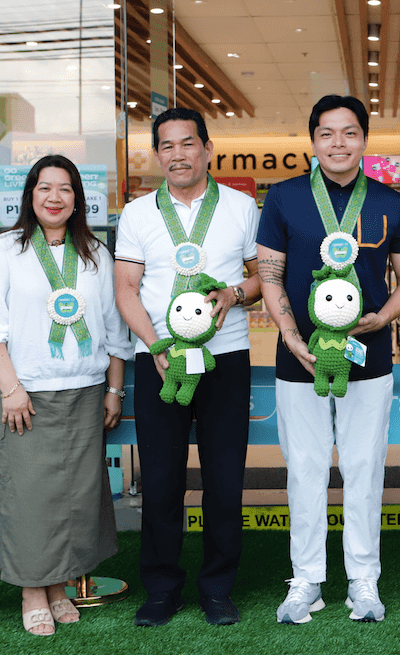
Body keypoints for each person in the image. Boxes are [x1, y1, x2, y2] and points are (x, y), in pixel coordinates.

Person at [258, 94, 400, 624]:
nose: (338, 143)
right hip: (299, 356)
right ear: (312, 141)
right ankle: (306, 579)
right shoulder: (283, 199)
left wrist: (384, 319)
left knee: (362, 466)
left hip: (368, 352)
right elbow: (270, 275)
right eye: (327, 133)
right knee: (304, 469)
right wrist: (289, 333)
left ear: (365, 140)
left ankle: (363, 580)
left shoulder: (390, 203)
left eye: (349, 133)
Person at [0, 154, 131, 637]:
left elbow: (113, 327)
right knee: (28, 497)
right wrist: (12, 390)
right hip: (24, 396)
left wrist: (115, 389)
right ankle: (31, 592)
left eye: (64, 189)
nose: (54, 197)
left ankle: (60, 586)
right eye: (44, 188)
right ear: (30, 196)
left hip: (84, 393)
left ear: (78, 199)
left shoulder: (96, 254)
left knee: (76, 499)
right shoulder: (5, 250)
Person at [114, 108, 261, 627]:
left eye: (188, 144)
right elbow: (125, 288)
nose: (178, 154)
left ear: (207, 149)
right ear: (158, 155)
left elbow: (262, 277)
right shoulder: (136, 214)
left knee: (225, 478)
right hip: (158, 360)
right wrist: (153, 345)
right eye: (167, 146)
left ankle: (218, 586)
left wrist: (236, 293)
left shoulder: (242, 208)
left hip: (225, 357)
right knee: (159, 477)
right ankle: (162, 586)